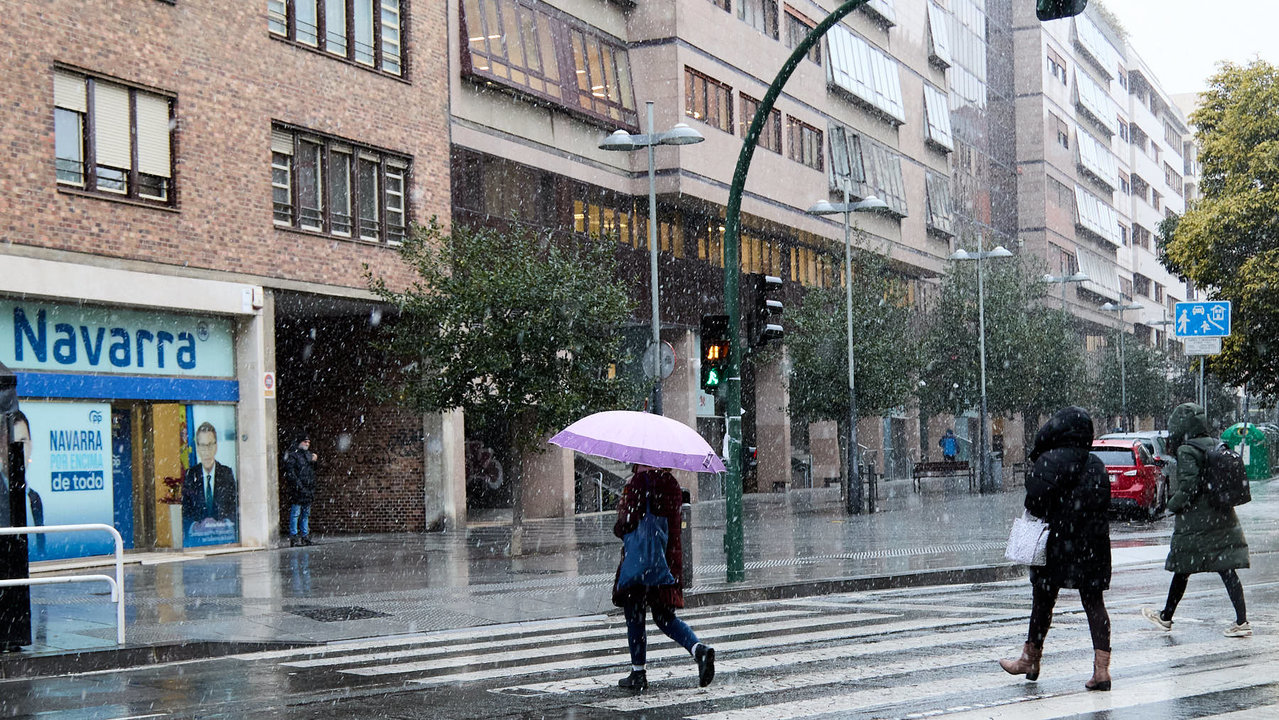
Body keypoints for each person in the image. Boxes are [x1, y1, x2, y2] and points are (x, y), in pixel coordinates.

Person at [1000, 406, 1113, 692]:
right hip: (1092, 546)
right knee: (1094, 603)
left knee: (1043, 601)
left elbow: (1033, 505)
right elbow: (1103, 504)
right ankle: (1101, 670)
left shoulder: (1049, 461)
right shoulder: (1096, 464)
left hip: (1056, 546)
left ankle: (1030, 659)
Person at [1141, 402, 1251, 637]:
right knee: (1227, 569)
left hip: (1197, 521)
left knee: (1182, 568)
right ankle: (1242, 621)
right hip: (1221, 516)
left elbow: (1189, 487)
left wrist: (1169, 506)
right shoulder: (1214, 443)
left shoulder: (1186, 450)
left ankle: (1166, 617)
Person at [612, 465, 714, 691]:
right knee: (665, 617)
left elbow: (625, 523)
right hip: (666, 562)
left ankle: (638, 673)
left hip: (641, 564)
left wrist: (625, 503)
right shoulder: (672, 484)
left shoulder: (638, 482)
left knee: (635, 615)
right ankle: (698, 649)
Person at [182, 422, 238, 529]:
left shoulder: (226, 473)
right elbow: (186, 513)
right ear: (197, 449)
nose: (207, 451)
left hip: (222, 538)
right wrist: (196, 526)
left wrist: (224, 524)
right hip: (198, 541)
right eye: (203, 446)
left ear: (216, 446)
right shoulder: (190, 475)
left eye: (210, 445)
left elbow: (233, 509)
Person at [283, 434, 318, 547]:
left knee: (305, 513)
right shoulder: (294, 456)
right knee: (296, 513)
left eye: (308, 442)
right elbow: (291, 473)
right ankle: (295, 536)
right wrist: (299, 486)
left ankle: (304, 535)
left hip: (306, 489)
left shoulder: (309, 456)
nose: (307, 444)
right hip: (298, 490)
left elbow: (312, 472)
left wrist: (314, 462)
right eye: (305, 442)